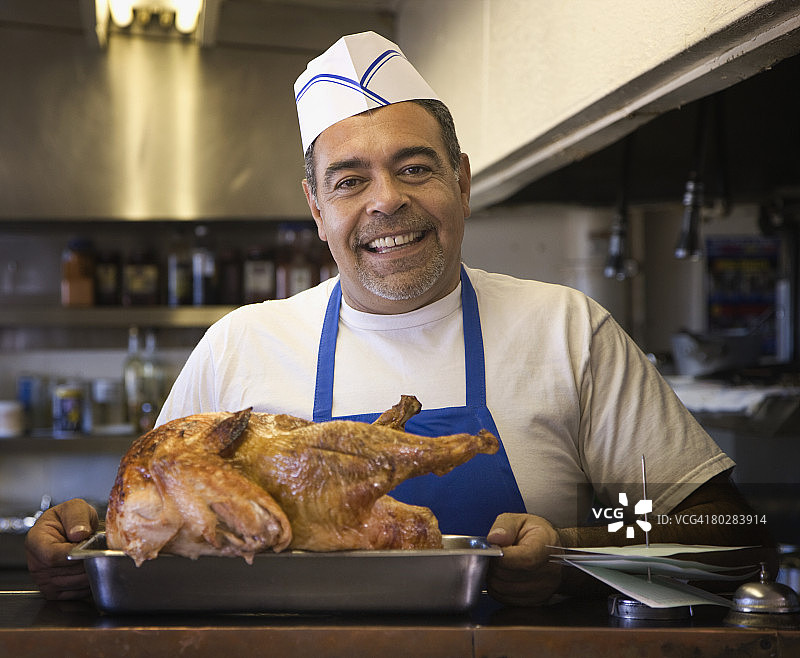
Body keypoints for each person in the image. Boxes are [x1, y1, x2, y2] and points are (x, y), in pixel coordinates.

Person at [26, 31, 772, 606]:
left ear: (463, 182)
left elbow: (736, 534)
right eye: (350, 181)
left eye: (414, 167)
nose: (386, 200)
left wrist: (576, 549)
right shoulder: (239, 347)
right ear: (318, 212)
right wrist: (78, 543)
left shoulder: (566, 331)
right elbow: (144, 532)